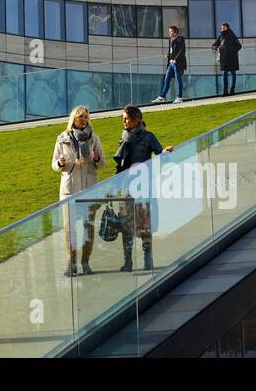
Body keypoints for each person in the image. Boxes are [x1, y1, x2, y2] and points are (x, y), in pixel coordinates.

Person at [113, 105, 173, 272]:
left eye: (126, 118)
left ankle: (148, 259)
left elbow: (161, 156)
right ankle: (128, 262)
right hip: (126, 189)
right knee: (125, 225)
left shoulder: (148, 137)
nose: (124, 121)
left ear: (136, 120)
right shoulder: (124, 137)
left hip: (143, 188)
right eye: (123, 119)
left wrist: (165, 152)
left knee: (145, 224)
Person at [52, 105, 105, 278]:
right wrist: (60, 163)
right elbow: (54, 164)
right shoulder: (62, 139)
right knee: (69, 229)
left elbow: (102, 164)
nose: (84, 120)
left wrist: (96, 158)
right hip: (70, 190)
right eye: (80, 117)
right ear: (73, 119)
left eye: (86, 117)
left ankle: (85, 262)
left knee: (88, 227)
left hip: (89, 189)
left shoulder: (93, 139)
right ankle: (72, 262)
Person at [152, 25, 187, 104]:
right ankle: (162, 97)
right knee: (166, 80)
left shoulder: (180, 39)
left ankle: (179, 97)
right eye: (169, 31)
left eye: (171, 31)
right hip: (171, 63)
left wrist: (175, 59)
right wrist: (169, 55)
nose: (169, 33)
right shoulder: (171, 40)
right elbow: (173, 51)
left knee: (178, 80)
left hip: (177, 63)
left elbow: (181, 50)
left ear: (175, 32)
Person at [212, 22, 241, 96]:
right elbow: (213, 45)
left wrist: (232, 50)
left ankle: (232, 91)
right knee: (225, 74)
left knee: (233, 74)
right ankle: (225, 91)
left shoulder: (232, 35)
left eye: (224, 28)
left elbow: (239, 46)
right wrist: (217, 48)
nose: (222, 29)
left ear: (227, 28)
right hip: (224, 58)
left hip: (232, 58)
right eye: (221, 28)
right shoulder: (220, 36)